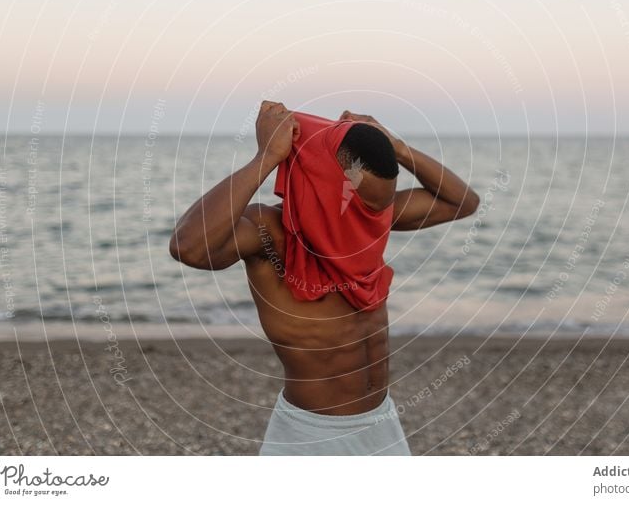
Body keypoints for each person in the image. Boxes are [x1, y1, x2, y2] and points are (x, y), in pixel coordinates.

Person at [169, 100, 479, 455]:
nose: (373, 215)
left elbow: (463, 202)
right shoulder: (269, 232)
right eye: (364, 202)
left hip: (382, 423)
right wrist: (266, 158)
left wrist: (396, 147)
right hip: (309, 436)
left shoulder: (366, 222)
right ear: (326, 184)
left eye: (377, 207)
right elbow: (188, 247)